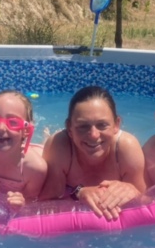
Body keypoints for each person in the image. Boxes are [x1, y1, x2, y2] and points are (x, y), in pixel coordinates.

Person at [39, 86, 146, 221]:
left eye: (102, 125)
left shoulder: (126, 148)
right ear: (70, 128)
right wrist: (78, 192)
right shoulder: (59, 146)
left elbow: (145, 202)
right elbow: (45, 204)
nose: (94, 135)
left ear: (116, 125)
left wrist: (131, 190)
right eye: (83, 126)